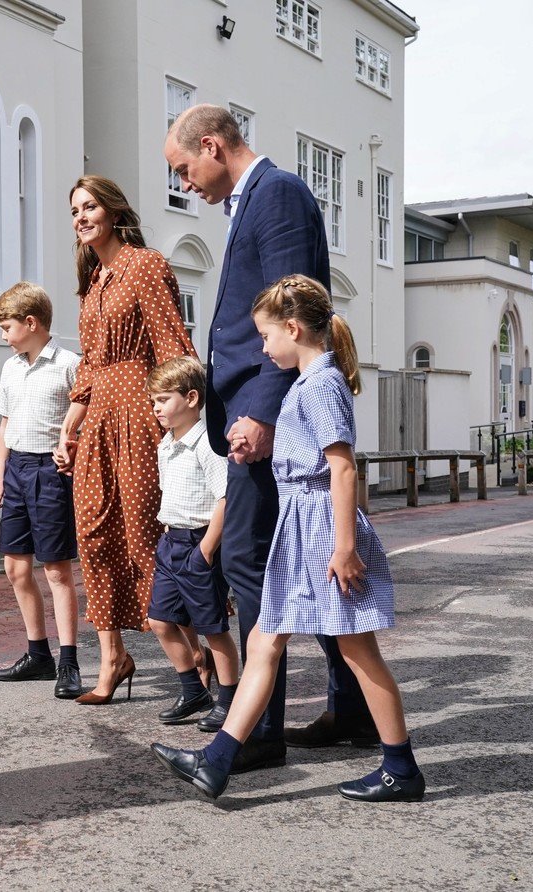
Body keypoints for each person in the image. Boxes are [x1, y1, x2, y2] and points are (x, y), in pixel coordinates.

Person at [152, 275, 424, 803]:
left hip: (322, 530)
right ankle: (217, 760)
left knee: (359, 651)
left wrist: (345, 548)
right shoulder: (307, 382)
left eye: (266, 336)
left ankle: (401, 767)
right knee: (263, 641)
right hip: (301, 527)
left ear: (293, 329)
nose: (262, 348)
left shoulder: (320, 384)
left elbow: (341, 468)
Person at [163, 105, 377, 772]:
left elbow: (294, 314)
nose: (183, 182)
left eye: (183, 168)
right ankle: (352, 710)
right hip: (254, 411)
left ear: (212, 145)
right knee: (301, 560)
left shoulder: (276, 192)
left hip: (265, 416)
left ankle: (258, 733)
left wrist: (261, 412)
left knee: (250, 560)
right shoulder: (251, 200)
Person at [54, 176, 196, 705]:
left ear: (114, 212)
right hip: (98, 419)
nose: (81, 217)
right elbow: (89, 366)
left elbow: (172, 346)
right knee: (92, 535)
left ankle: (198, 654)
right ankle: (112, 657)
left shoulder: (146, 265)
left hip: (140, 411)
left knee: (144, 535)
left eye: (90, 206)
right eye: (75, 210)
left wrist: (180, 424)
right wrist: (69, 426)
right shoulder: (93, 282)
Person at [0, 282, 83, 700]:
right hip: (17, 471)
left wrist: (71, 451)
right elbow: (5, 426)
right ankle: (38, 655)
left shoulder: (69, 365)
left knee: (57, 571)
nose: (3, 336)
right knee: (15, 569)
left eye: (6, 327)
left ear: (31, 323)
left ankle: (69, 662)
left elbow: (86, 421)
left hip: (50, 473)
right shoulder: (11, 368)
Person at [146, 356, 240, 731]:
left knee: (212, 628)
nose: (156, 408)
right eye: (153, 401)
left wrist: (206, 551)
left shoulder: (207, 444)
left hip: (200, 543)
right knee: (159, 620)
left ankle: (229, 700)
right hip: (171, 541)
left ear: (191, 398)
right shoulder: (166, 444)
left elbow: (226, 498)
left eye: (163, 399)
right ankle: (193, 690)